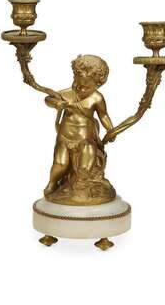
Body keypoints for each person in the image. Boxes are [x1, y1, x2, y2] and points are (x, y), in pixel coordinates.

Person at [44, 54, 116, 205]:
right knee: (60, 164)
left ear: (95, 78)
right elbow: (49, 98)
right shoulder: (67, 93)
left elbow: (103, 116)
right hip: (65, 137)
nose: (76, 76)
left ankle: (82, 185)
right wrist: (56, 104)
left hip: (86, 138)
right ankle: (52, 183)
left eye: (80, 74)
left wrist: (110, 129)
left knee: (86, 160)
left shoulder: (97, 98)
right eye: (75, 73)